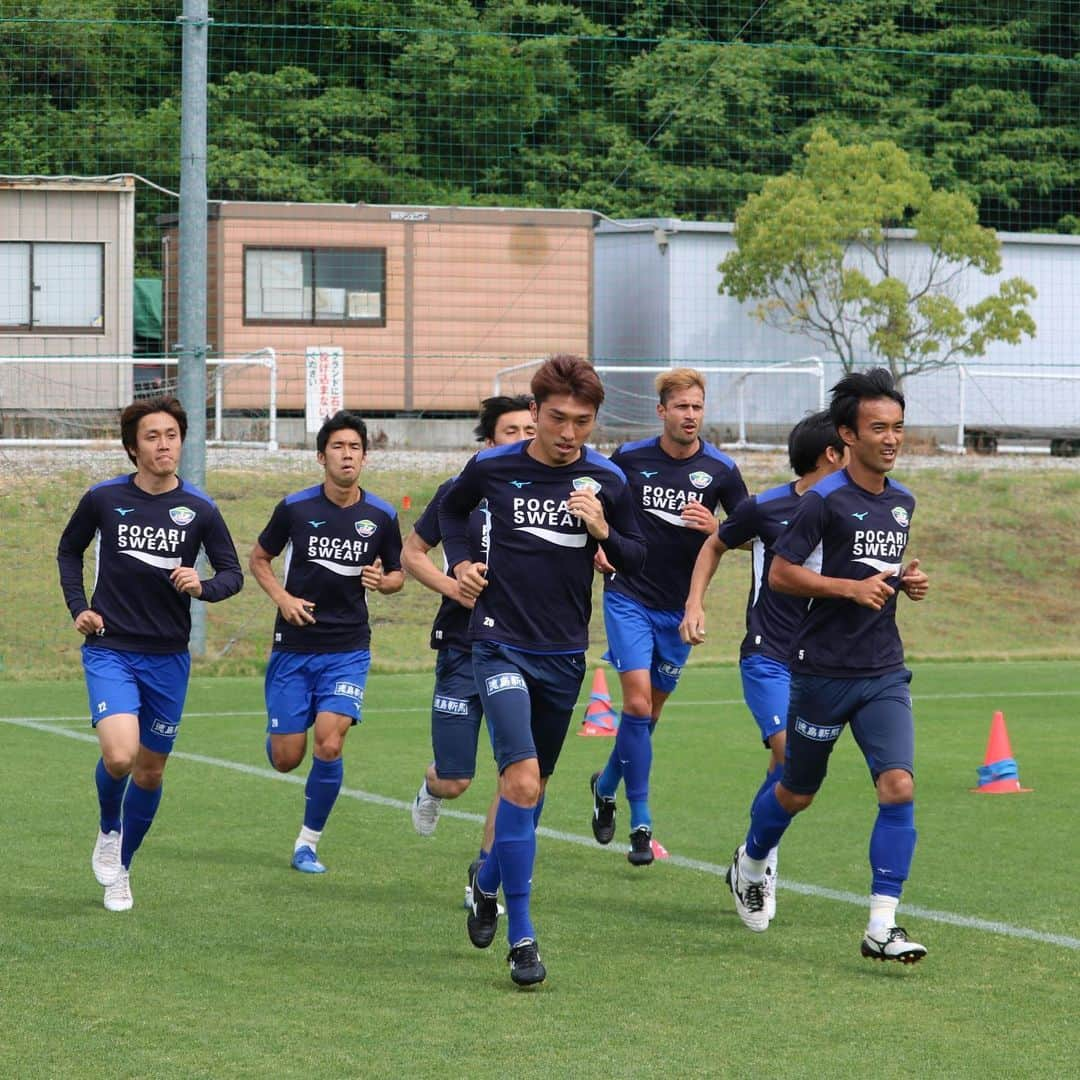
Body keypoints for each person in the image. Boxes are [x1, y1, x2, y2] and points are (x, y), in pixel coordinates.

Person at [439, 355, 645, 987]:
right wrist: (463, 562)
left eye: (581, 421)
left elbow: (637, 557)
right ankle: (521, 937)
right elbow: (450, 512)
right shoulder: (493, 466)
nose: (568, 433)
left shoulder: (607, 477)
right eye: (557, 418)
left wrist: (604, 529)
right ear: (534, 413)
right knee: (521, 783)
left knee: (534, 789)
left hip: (563, 654)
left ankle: (486, 880)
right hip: (497, 644)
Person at [725, 368, 931, 963]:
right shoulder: (822, 500)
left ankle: (881, 924)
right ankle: (753, 859)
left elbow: (879, 573)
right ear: (849, 433)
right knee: (796, 790)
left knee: (898, 785)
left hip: (883, 669)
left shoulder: (901, 502)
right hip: (821, 672)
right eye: (878, 428)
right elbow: (784, 574)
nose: (891, 438)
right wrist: (848, 588)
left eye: (898, 427)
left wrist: (905, 581)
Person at [57, 394, 244, 912]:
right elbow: (69, 549)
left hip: (168, 657)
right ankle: (109, 828)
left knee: (151, 771)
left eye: (171, 435)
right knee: (119, 755)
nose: (164, 445)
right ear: (133, 448)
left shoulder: (201, 509)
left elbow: (232, 574)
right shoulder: (103, 498)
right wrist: (80, 607)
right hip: (110, 647)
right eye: (152, 437)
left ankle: (123, 870)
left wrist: (202, 585)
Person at [680, 411, 847, 919]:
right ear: (832, 455)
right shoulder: (767, 506)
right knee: (789, 752)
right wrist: (694, 603)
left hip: (822, 663)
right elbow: (715, 543)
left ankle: (753, 854)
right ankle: (760, 860)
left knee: (789, 772)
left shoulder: (854, 511)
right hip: (768, 654)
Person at [588, 368, 747, 864]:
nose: (691, 416)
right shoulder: (631, 459)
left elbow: (748, 529)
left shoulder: (720, 469)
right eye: (681, 407)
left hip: (679, 611)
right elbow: (599, 507)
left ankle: (605, 784)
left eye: (697, 407)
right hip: (627, 596)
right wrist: (599, 543)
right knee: (635, 706)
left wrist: (718, 526)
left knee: (648, 716)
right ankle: (641, 823)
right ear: (661, 411)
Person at [249, 410, 404, 874]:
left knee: (330, 744)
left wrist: (384, 580)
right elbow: (259, 558)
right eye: (337, 447)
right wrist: (282, 598)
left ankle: (307, 844)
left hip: (348, 649)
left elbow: (397, 573)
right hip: (294, 647)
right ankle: (281, 730)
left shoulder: (381, 515)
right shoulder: (296, 508)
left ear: (364, 457)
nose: (347, 455)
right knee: (285, 758)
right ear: (322, 456)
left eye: (354, 447)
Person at [403, 395, 536, 908]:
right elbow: (411, 554)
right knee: (457, 778)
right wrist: (451, 585)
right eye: (511, 430)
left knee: (518, 773)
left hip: (522, 652)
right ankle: (431, 789)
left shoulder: (556, 491)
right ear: (488, 443)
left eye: (530, 427)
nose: (524, 437)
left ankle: (485, 877)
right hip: (462, 647)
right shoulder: (461, 493)